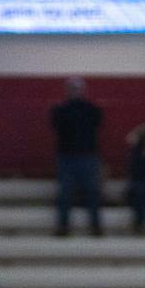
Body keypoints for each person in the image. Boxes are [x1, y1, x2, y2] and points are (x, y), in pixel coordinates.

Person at [52, 77, 105, 238]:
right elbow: (56, 124)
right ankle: (63, 226)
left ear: (83, 90)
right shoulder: (61, 109)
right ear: (67, 90)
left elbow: (98, 121)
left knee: (93, 193)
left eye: (77, 88)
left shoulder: (90, 108)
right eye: (72, 88)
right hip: (67, 157)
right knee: (64, 194)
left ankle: (95, 226)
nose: (75, 91)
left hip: (87, 156)